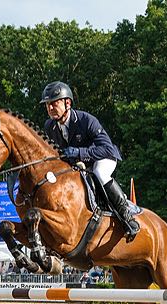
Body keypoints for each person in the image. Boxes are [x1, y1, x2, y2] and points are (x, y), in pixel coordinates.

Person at [39, 81, 140, 242]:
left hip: (102, 159)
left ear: (67, 103)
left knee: (99, 173)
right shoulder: (50, 126)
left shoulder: (86, 120)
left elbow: (106, 148)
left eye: (54, 103)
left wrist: (80, 152)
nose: (50, 108)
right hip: (79, 165)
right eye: (47, 105)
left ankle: (127, 218)